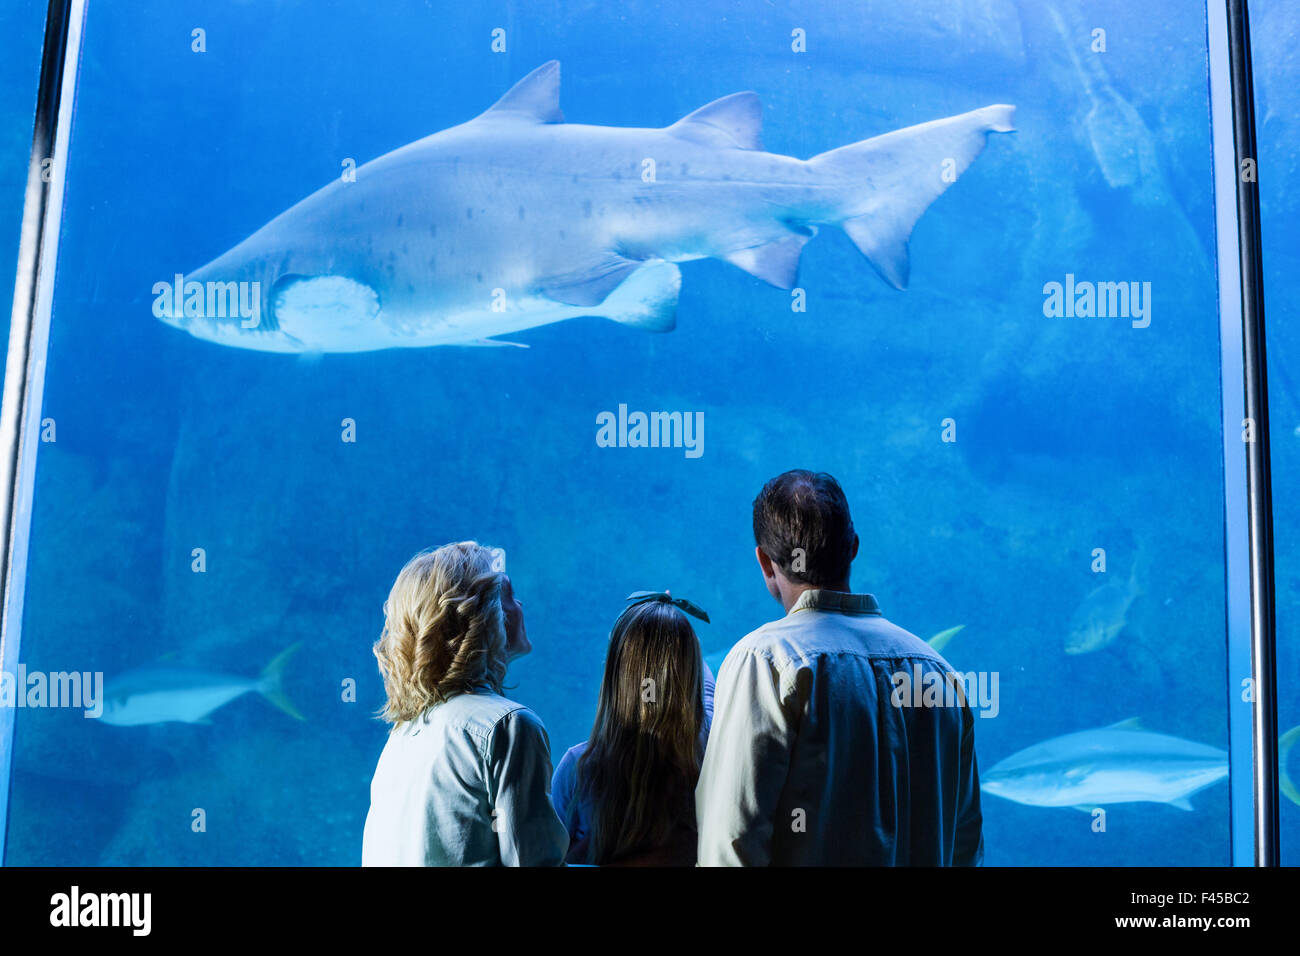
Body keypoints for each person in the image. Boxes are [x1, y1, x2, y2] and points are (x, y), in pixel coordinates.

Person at [696, 470, 984, 866]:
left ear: (764, 562)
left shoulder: (764, 662)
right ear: (853, 548)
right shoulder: (939, 675)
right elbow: (965, 845)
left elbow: (730, 842)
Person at [361, 542, 568, 866]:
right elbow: (533, 861)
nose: (520, 604)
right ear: (483, 618)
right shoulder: (508, 726)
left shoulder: (403, 736)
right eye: (507, 595)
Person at [551, 592, 715, 866]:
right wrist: (677, 635)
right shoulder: (708, 755)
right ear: (690, 669)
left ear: (614, 672)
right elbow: (706, 691)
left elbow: (546, 857)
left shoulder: (579, 768)